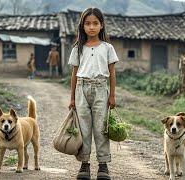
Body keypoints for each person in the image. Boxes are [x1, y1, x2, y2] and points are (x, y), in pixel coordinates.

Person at [68, 7, 119, 180]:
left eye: (95, 23)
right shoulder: (78, 48)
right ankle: (84, 164)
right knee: (83, 129)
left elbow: (112, 73)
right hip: (81, 89)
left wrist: (112, 95)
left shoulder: (107, 48)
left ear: (102, 25)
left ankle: (103, 166)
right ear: (82, 26)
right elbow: (74, 74)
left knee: (101, 128)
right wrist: (72, 98)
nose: (91, 27)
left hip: (100, 89)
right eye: (87, 23)